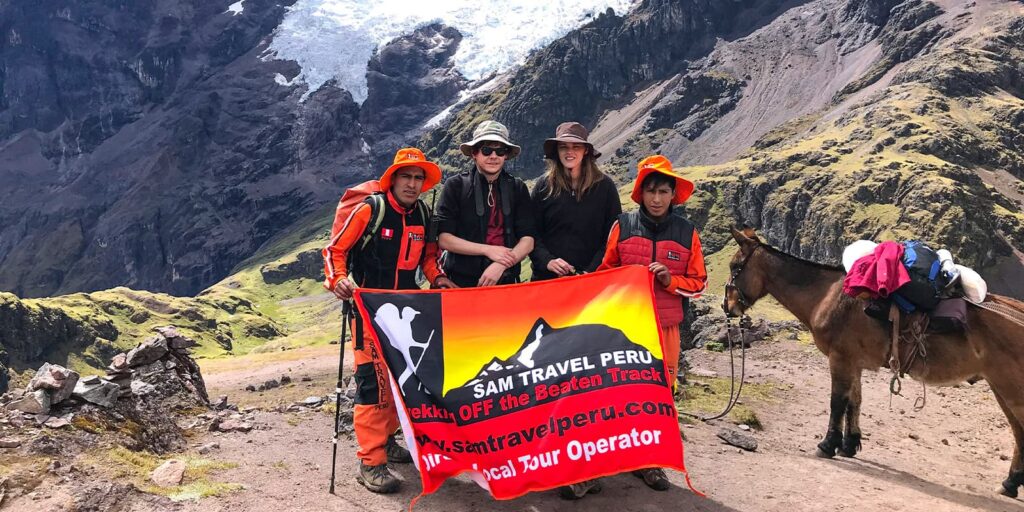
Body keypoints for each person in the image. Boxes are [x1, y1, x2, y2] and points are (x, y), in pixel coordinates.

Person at [322, 147, 456, 494]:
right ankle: (370, 462)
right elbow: (334, 251)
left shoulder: (423, 215)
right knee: (373, 383)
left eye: (418, 178)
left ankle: (390, 441)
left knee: (403, 380)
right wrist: (338, 280)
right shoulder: (371, 209)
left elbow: (428, 257)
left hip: (406, 312)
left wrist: (437, 277)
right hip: (367, 311)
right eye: (406, 177)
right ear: (392, 179)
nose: (412, 184)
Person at [597, 154, 707, 492]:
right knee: (616, 391)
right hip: (624, 328)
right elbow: (605, 272)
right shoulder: (623, 226)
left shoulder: (687, 233)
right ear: (640, 193)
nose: (657, 199)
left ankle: (650, 462)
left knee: (660, 395)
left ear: (673, 194)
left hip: (665, 327)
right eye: (651, 191)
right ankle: (607, 458)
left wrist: (671, 282)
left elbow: (699, 282)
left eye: (663, 191)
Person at [434, 120, 536, 287]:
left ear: (506, 155)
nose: (493, 156)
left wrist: (501, 264)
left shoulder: (517, 188)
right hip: (461, 283)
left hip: (506, 281)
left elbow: (528, 239)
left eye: (500, 151)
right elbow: (444, 239)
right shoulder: (456, 186)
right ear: (474, 153)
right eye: (487, 150)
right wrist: (488, 250)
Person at [530, 122, 621, 281]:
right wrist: (547, 261)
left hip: (592, 281)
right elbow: (530, 233)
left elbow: (612, 236)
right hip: (546, 280)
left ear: (586, 150)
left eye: (576, 146)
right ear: (557, 151)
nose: (569, 152)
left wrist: (591, 271)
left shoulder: (605, 187)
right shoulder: (543, 186)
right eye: (563, 147)